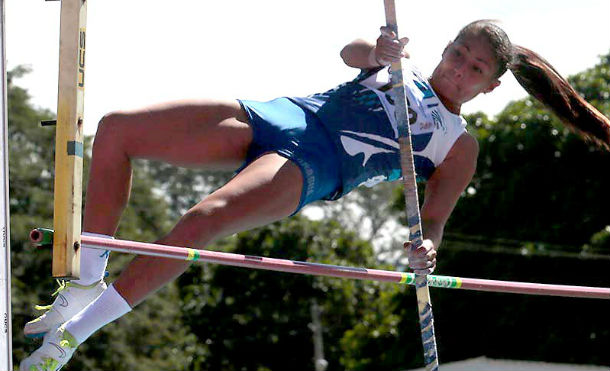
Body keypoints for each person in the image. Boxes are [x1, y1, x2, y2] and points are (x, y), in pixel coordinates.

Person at [20, 20, 610, 370]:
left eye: (475, 69)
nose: (460, 70)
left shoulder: (458, 144)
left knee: (203, 221)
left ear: (489, 87)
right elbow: (351, 54)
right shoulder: (396, 64)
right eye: (458, 54)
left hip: (310, 166)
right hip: (278, 116)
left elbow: (433, 221)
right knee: (118, 128)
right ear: (446, 47)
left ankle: (74, 338)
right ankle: (86, 282)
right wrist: (379, 53)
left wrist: (426, 250)